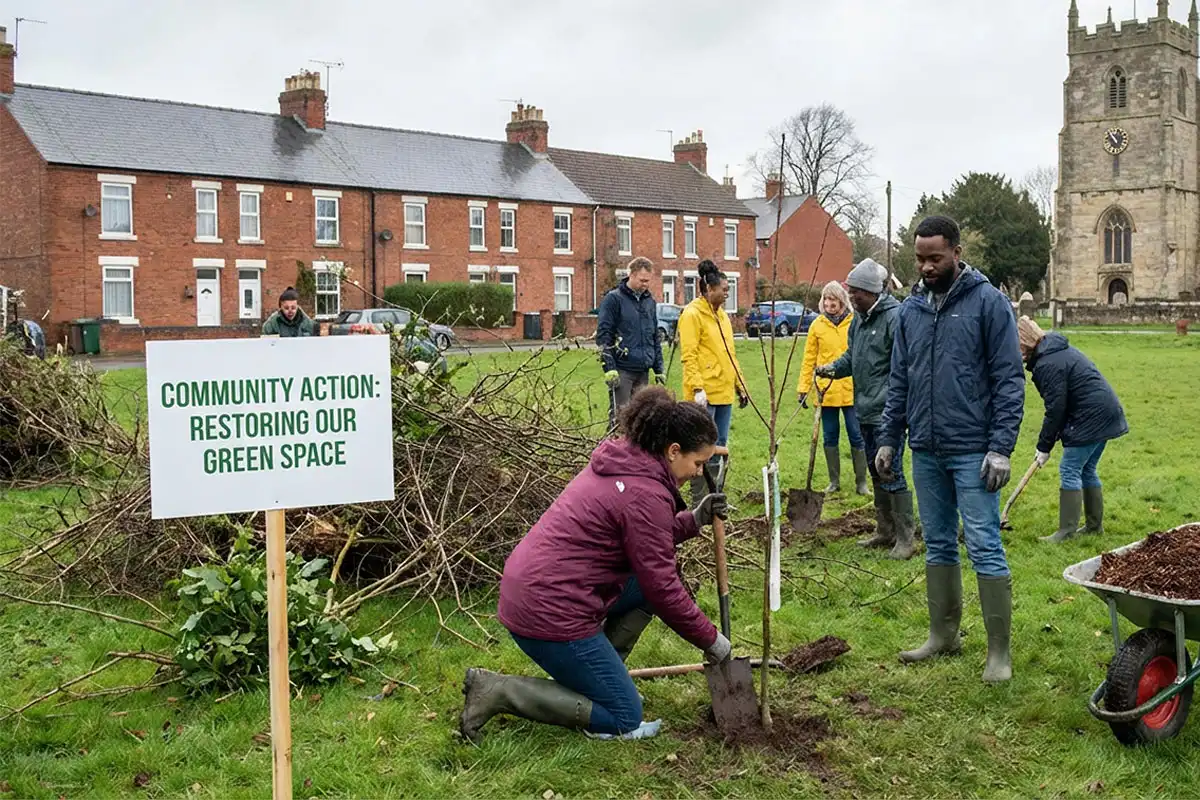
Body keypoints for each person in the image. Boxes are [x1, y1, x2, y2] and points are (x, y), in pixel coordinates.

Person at [459, 388, 731, 743]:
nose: (698, 473)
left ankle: (601, 680)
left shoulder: (627, 463)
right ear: (673, 450)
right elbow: (662, 587)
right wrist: (711, 640)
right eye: (697, 463)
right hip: (550, 608)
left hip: (541, 588)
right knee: (623, 715)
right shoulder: (643, 492)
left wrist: (694, 519)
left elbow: (646, 537)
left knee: (643, 590)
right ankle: (495, 690)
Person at [876, 215, 1025, 683]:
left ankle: (998, 653)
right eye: (919, 258)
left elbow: (1009, 379)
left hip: (974, 450)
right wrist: (888, 438)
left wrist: (1000, 447)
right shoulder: (910, 311)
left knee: (983, 543)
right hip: (925, 449)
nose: (925, 267)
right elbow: (899, 380)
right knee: (937, 542)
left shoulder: (988, 304)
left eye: (934, 258)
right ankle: (944, 635)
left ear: (956, 252)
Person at [815, 258, 915, 559]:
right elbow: (853, 357)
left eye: (857, 292)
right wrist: (830, 368)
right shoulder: (859, 319)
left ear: (873, 292)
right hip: (864, 409)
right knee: (875, 470)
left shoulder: (894, 319)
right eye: (851, 291)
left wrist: (893, 404)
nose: (852, 297)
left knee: (890, 470)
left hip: (889, 411)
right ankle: (884, 531)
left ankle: (906, 538)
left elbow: (904, 366)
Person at [1017, 316, 1128, 543]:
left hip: (1091, 417)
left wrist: (1043, 446)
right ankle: (1093, 527)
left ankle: (1066, 532)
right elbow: (1062, 405)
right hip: (1107, 413)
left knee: (1070, 469)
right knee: (1087, 469)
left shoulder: (1048, 364)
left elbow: (1056, 409)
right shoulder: (1056, 351)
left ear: (1024, 343)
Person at [677, 260, 748, 498]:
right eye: (724, 289)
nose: (727, 293)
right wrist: (697, 387)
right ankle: (700, 497)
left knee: (720, 443)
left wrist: (741, 385)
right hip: (704, 394)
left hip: (724, 390)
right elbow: (689, 355)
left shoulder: (723, 317)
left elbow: (730, 355)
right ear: (709, 289)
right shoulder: (692, 315)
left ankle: (715, 493)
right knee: (701, 445)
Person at [798, 280, 869, 496]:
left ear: (842, 300)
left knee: (857, 435)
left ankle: (861, 483)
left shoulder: (854, 322)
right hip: (825, 391)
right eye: (826, 299)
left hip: (850, 390)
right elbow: (809, 358)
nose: (829, 303)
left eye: (833, 299)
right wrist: (803, 388)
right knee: (830, 436)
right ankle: (834, 482)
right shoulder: (817, 325)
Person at [596, 257, 665, 426]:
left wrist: (658, 368)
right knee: (621, 418)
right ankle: (612, 451)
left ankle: (635, 453)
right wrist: (609, 367)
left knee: (640, 420)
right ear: (631, 276)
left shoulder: (649, 302)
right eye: (642, 280)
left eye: (648, 281)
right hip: (622, 370)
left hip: (643, 370)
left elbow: (653, 335)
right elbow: (605, 335)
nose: (645, 284)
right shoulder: (614, 300)